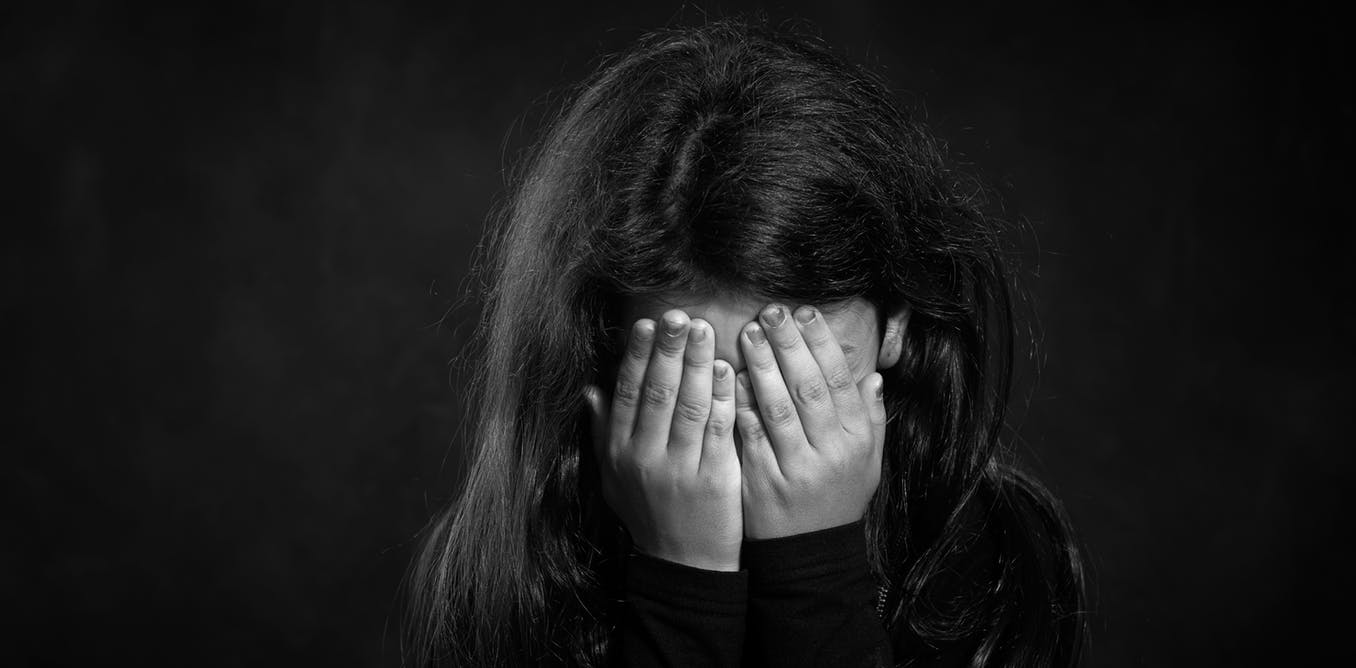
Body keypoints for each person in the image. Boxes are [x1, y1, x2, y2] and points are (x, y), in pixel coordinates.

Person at [405, 17, 1086, 668]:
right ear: (608, 362)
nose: (744, 432)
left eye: (795, 378)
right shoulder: (500, 574)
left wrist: (815, 569)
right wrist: (681, 585)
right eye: (691, 385)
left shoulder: (1001, 559)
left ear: (897, 328)